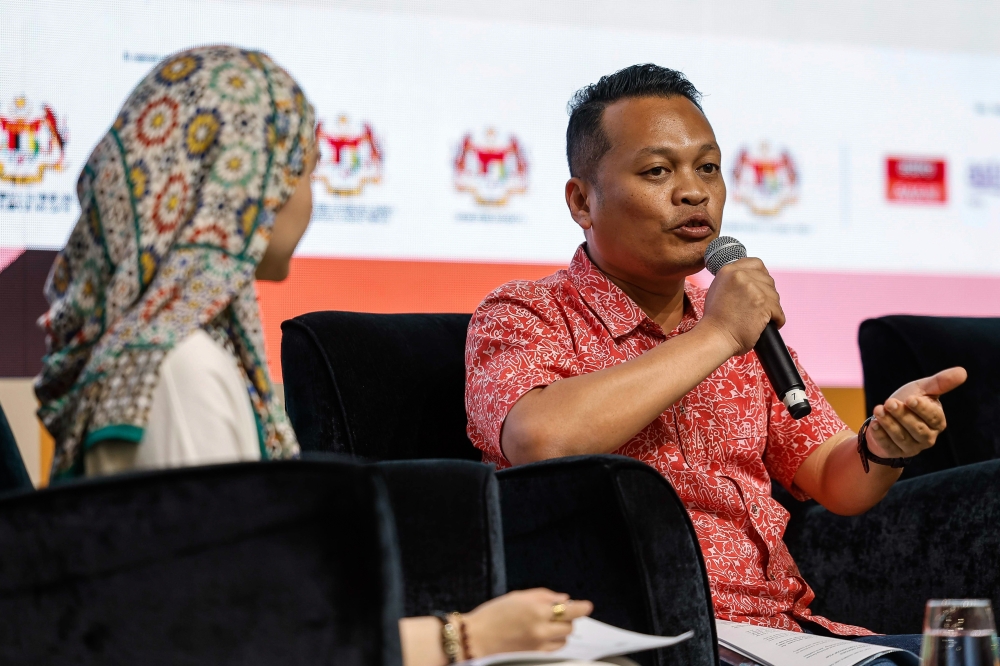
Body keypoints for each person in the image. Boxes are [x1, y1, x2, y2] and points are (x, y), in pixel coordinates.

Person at [35, 44, 594, 665]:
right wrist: (465, 638)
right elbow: (233, 637)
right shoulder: (180, 370)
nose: (309, 197)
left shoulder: (169, 357)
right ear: (244, 187)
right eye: (301, 171)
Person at [464, 64, 966, 651]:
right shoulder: (526, 312)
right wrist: (718, 334)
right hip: (636, 637)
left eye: (707, 167)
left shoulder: (733, 319)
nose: (694, 192)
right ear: (582, 201)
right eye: (657, 171)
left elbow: (836, 478)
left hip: (783, 635)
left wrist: (883, 445)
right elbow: (540, 440)